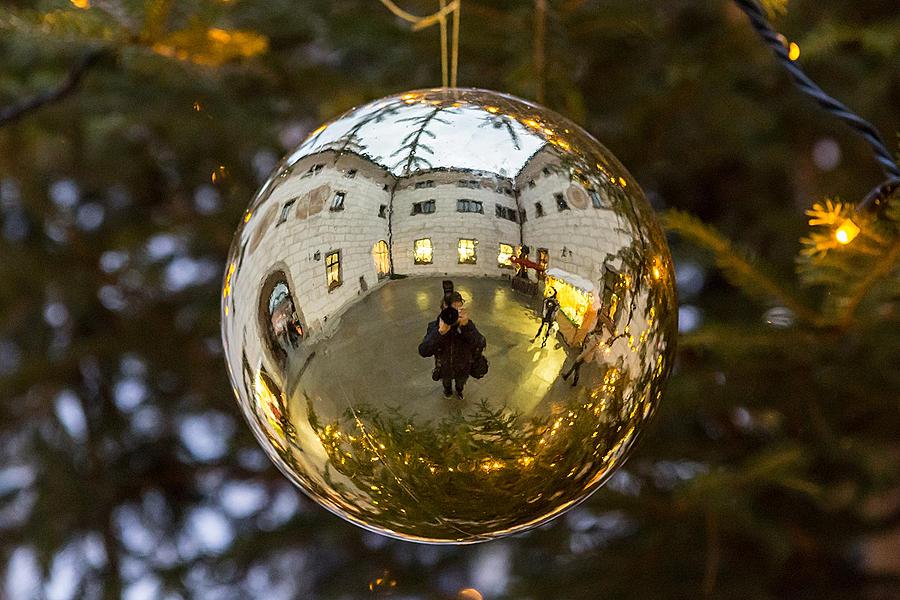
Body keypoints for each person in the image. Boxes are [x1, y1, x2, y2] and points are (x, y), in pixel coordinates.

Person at [418, 290, 484, 399]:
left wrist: (467, 327)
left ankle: (459, 391)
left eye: (457, 311)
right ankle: (447, 391)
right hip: (445, 367)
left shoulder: (466, 325)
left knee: (460, 383)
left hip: (463, 367)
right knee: (446, 383)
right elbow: (423, 351)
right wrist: (440, 333)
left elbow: (480, 344)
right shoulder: (434, 327)